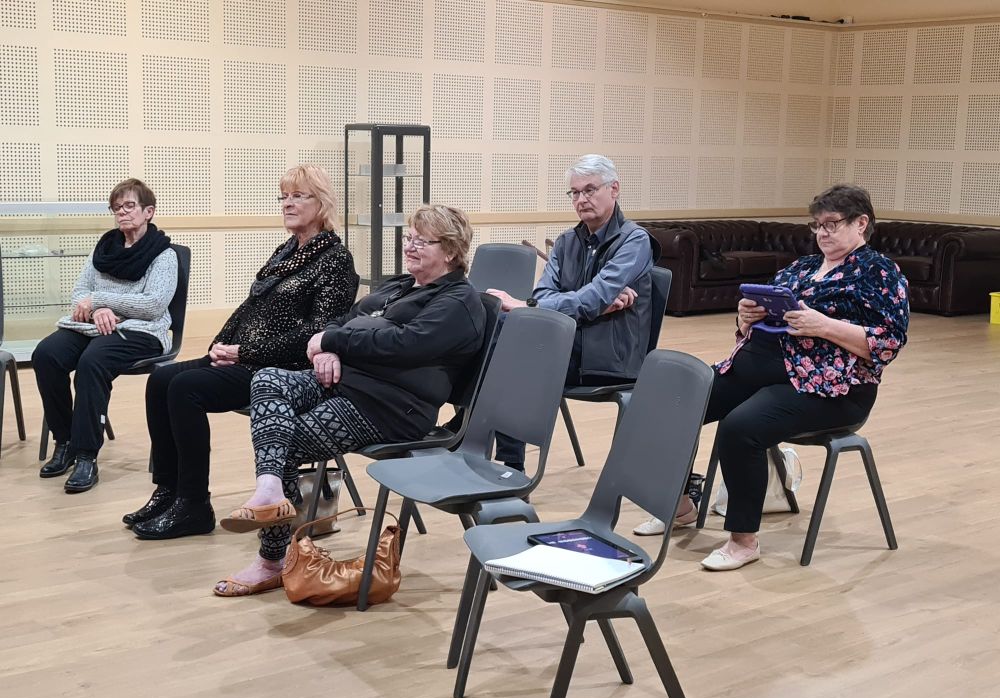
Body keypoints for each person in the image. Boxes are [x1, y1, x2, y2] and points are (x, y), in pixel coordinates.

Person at [213, 204, 486, 596]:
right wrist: (327, 349)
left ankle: (271, 560)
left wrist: (334, 342)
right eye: (408, 238)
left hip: (387, 408)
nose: (409, 246)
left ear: (450, 250)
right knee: (268, 378)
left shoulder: (458, 302)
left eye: (420, 241)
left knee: (283, 442)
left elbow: (404, 345)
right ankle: (271, 491)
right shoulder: (401, 286)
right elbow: (343, 319)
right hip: (346, 382)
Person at [641, 184, 909, 569]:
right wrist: (745, 317)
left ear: (861, 223)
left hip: (831, 388)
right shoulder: (801, 267)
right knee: (671, 404)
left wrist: (824, 325)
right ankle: (681, 505)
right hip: (762, 369)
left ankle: (743, 541)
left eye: (831, 225)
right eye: (817, 226)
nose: (822, 234)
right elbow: (765, 319)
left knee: (740, 427)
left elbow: (887, 344)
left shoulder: (879, 272)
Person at [125, 165, 359, 540]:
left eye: (298, 196)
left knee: (186, 388)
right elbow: (250, 308)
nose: (287, 204)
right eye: (284, 196)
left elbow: (317, 332)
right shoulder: (286, 251)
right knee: (161, 378)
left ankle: (193, 504)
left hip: (285, 370)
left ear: (323, 203)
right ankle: (168, 491)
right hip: (246, 356)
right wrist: (218, 345)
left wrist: (243, 351)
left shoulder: (335, 260)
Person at [486, 154, 660, 475]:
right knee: (502, 336)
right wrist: (588, 303)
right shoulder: (568, 241)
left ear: (614, 189)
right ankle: (504, 462)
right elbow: (548, 296)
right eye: (575, 193)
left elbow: (576, 300)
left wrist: (581, 303)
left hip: (609, 356)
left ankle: (502, 459)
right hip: (568, 347)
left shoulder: (635, 241)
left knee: (511, 350)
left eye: (590, 190)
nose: (581, 200)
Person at [33, 178, 178, 493]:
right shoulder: (105, 247)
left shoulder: (163, 255)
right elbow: (80, 292)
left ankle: (87, 455)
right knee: (46, 355)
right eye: (117, 207)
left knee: (92, 361)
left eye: (129, 206)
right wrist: (95, 310)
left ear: (148, 211)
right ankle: (66, 440)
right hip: (92, 326)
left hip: (142, 330)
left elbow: (153, 305)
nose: (122, 213)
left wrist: (102, 302)